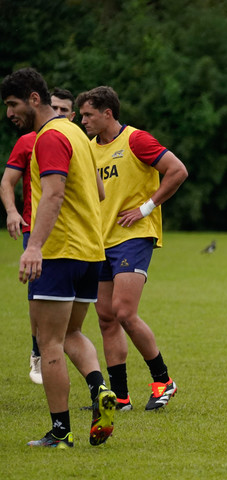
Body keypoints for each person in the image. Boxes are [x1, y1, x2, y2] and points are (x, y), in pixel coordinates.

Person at [1, 68, 117, 448]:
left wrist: (34, 247)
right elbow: (99, 191)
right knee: (71, 333)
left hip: (59, 251)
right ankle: (101, 388)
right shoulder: (77, 134)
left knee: (48, 341)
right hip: (90, 251)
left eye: (13, 104)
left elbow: (51, 195)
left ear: (35, 98)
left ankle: (61, 431)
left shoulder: (49, 137)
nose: (9, 113)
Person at [76, 86, 188, 411]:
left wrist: (146, 208)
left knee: (124, 312)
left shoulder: (136, 140)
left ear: (107, 113)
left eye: (88, 115)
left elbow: (178, 170)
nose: (83, 121)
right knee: (106, 318)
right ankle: (121, 397)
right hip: (100, 240)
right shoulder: (86, 148)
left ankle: (163, 380)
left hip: (134, 235)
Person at [1, 87, 79, 385]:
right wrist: (11, 211)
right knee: (38, 299)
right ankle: (39, 354)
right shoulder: (28, 141)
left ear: (71, 116)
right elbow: (7, 182)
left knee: (72, 316)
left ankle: (77, 373)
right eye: (54, 108)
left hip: (74, 235)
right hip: (37, 232)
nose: (58, 114)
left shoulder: (75, 141)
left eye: (64, 111)